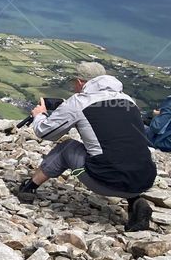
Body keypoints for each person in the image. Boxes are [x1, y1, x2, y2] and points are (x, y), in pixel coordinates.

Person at [14, 61, 157, 232]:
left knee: (67, 146)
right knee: (123, 152)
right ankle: (135, 201)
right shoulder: (127, 100)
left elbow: (45, 133)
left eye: (75, 81)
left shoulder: (79, 102)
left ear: (81, 82)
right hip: (144, 180)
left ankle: (29, 188)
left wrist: (39, 115)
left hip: (102, 182)